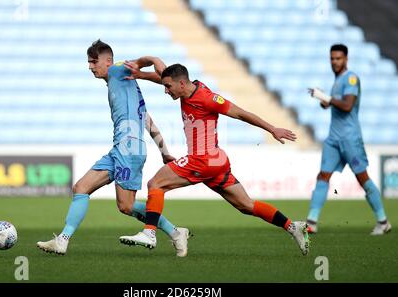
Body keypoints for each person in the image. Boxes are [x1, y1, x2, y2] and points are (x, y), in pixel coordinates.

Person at [119, 58, 310, 255]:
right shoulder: (184, 86)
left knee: (155, 184)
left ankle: (150, 232)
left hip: (202, 160)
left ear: (181, 83)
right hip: (217, 163)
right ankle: (292, 226)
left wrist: (272, 129)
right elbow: (161, 72)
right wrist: (141, 73)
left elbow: (240, 113)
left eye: (168, 87)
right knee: (246, 205)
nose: (166, 90)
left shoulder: (206, 98)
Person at [36, 40, 191, 257]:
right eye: (89, 62)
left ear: (108, 61)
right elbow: (147, 121)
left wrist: (154, 60)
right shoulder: (126, 86)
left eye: (93, 61)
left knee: (126, 206)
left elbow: (142, 63)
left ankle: (175, 233)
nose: (90, 66)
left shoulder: (118, 70)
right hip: (119, 150)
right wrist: (164, 152)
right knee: (81, 188)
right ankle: (62, 240)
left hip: (129, 151)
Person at [306, 44, 392, 235]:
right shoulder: (337, 81)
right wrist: (324, 100)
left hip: (350, 139)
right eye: (332, 58)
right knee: (323, 176)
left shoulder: (351, 78)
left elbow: (347, 105)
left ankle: (383, 221)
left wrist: (326, 97)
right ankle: (311, 222)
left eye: (338, 58)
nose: (335, 62)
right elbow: (330, 105)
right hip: (333, 139)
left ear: (346, 59)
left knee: (362, 179)